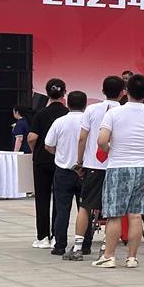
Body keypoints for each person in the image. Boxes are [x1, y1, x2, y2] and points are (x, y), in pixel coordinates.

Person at [95, 74, 144, 268]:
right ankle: (132, 258)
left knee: (114, 214)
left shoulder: (114, 113)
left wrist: (111, 151)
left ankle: (109, 256)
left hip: (119, 167)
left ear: (126, 91)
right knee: (136, 214)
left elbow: (101, 141)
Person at [72, 76, 123, 259]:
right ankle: (105, 247)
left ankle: (77, 247)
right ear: (122, 93)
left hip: (93, 165)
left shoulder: (91, 110)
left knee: (85, 206)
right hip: (116, 165)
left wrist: (79, 161)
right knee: (112, 209)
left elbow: (82, 138)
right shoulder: (123, 111)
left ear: (102, 91)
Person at [44, 90, 87, 257]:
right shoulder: (89, 121)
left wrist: (60, 154)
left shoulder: (60, 122)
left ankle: (60, 245)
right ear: (85, 105)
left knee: (62, 210)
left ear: (67, 104)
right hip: (84, 171)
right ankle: (85, 244)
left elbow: (48, 145)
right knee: (85, 209)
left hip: (63, 170)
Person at [28, 78, 68, 249]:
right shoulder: (67, 114)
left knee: (42, 198)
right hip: (62, 161)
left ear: (47, 93)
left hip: (42, 160)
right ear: (64, 93)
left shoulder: (40, 114)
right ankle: (57, 236)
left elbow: (32, 138)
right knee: (60, 200)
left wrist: (35, 151)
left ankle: (43, 237)